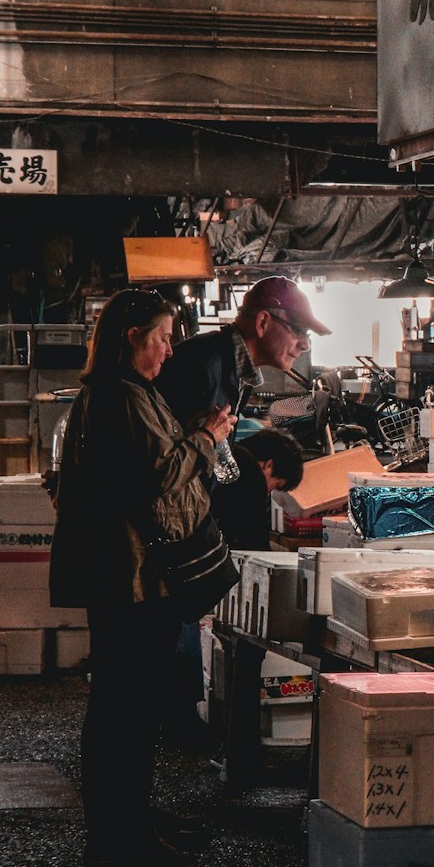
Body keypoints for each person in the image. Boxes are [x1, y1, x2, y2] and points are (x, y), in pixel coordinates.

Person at [48, 289, 236, 867]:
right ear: (132, 336)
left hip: (133, 578)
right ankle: (118, 841)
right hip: (127, 580)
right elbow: (162, 475)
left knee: (130, 709)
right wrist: (206, 436)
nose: (170, 348)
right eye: (162, 336)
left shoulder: (127, 392)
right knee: (124, 712)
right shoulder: (118, 397)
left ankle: (129, 821)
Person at [157, 277, 326, 751]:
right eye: (296, 330)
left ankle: (136, 808)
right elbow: (173, 462)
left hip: (178, 530)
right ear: (264, 321)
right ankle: (127, 817)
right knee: (150, 662)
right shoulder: (207, 367)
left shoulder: (228, 367)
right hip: (164, 537)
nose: (302, 343)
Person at [156, 275, 330, 429]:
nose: (305, 345)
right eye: (298, 330)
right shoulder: (200, 368)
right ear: (262, 323)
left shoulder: (237, 370)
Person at [209, 428, 305, 551]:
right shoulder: (251, 475)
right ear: (269, 465)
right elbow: (255, 544)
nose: (269, 493)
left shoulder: (229, 450)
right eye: (276, 486)